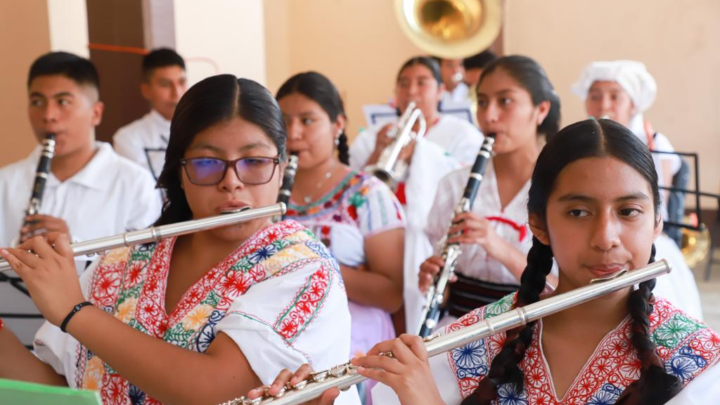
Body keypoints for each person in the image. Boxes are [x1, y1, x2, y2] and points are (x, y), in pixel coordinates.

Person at [264, 119, 720, 405]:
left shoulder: (700, 363)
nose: (606, 238)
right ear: (539, 224)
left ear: (658, 221)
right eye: (578, 212)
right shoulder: (472, 341)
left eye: (629, 212)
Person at [0, 75, 360, 405]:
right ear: (181, 173)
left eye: (254, 161)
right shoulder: (121, 262)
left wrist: (74, 312)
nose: (231, 181)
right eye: (207, 163)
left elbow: (215, 390)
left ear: (280, 168)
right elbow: (57, 390)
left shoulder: (303, 268)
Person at [0, 52, 162, 346]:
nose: (48, 115)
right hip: (19, 343)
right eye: (37, 101)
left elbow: (149, 273)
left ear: (96, 113)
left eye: (63, 101)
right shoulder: (5, 181)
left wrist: (75, 250)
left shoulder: (134, 183)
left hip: (104, 344)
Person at [276, 71, 405, 403]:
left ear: (337, 125)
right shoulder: (268, 194)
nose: (294, 133)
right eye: (285, 122)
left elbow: (391, 293)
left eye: (308, 120)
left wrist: (312, 270)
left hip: (354, 337)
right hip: (279, 330)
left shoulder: (368, 193)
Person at [411, 55, 561, 332]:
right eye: (482, 102)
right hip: (457, 330)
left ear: (540, 110)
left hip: (535, 330)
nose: (489, 116)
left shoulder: (562, 188)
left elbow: (563, 291)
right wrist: (435, 282)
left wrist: (497, 245)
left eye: (505, 101)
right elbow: (445, 295)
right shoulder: (454, 184)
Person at [572, 60, 703, 320]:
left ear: (633, 103)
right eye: (595, 96)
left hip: (645, 235)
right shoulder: (577, 143)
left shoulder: (654, 142)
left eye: (614, 97)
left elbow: (658, 206)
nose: (603, 105)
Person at [350, 56, 483, 169]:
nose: (411, 91)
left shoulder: (464, 134)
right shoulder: (370, 137)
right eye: (403, 84)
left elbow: (464, 180)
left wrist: (420, 154)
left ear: (440, 91)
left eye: (422, 83)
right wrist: (377, 153)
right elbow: (351, 189)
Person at [113, 48, 188, 180]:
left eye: (181, 82)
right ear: (146, 90)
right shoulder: (129, 138)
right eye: (165, 84)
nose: (176, 92)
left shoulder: (205, 129)